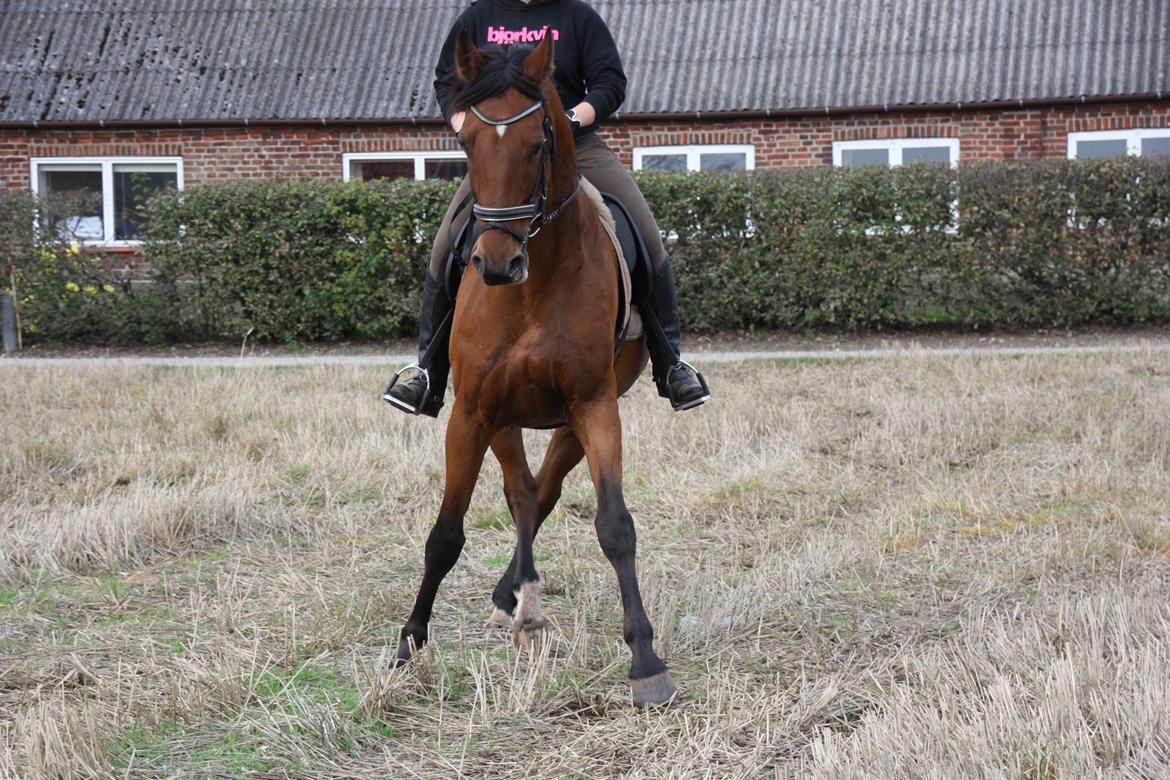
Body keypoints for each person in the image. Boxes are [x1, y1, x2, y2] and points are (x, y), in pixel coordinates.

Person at [384, 0, 709, 416]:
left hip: (576, 146)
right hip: (502, 154)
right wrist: (467, 126)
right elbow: (447, 82)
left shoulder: (579, 17)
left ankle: (671, 365)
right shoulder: (478, 17)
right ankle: (428, 373)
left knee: (646, 236)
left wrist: (569, 121)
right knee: (444, 245)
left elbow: (609, 84)